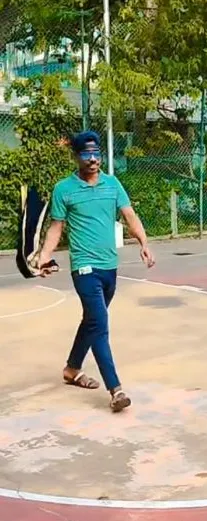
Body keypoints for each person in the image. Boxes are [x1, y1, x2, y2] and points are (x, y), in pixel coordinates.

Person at [39, 130, 155, 412]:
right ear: (76, 156)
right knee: (100, 326)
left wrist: (144, 242)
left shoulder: (112, 184)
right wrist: (44, 256)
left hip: (109, 267)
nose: (92, 160)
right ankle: (116, 390)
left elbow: (129, 215)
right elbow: (56, 227)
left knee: (91, 321)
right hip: (84, 268)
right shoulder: (63, 190)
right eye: (86, 154)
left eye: (96, 154)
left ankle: (72, 369)